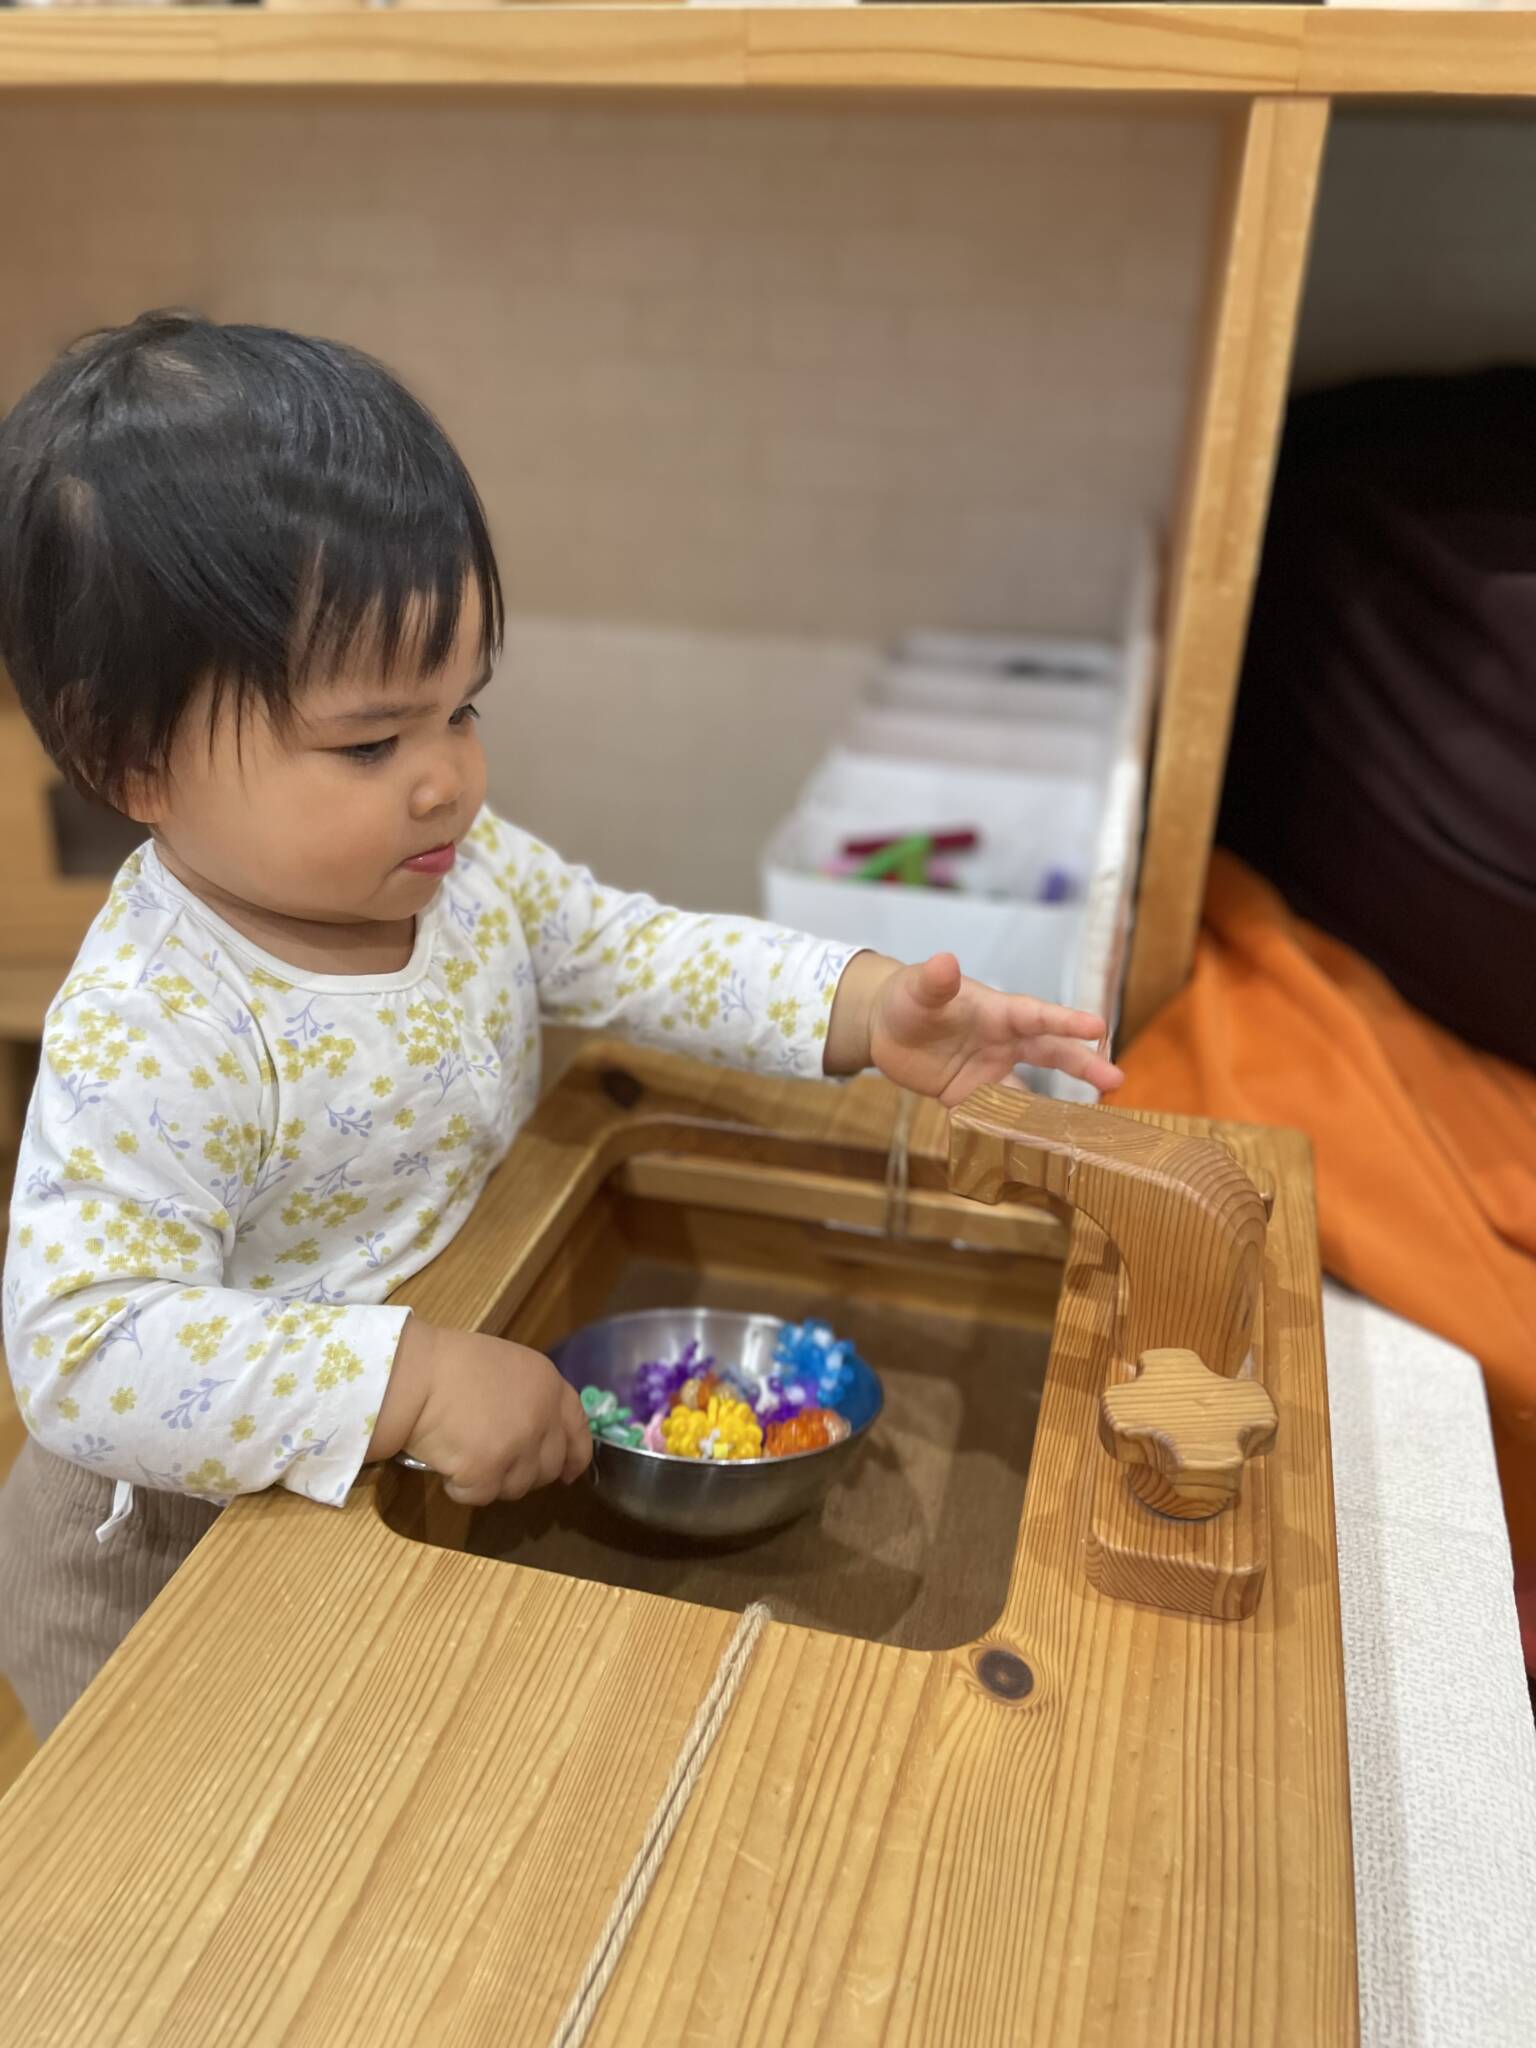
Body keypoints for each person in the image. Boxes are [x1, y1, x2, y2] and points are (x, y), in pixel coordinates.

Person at [0, 312, 1122, 1739]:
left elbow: (629, 946)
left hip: (407, 1439)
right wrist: (409, 1379)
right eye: (369, 742)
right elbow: (90, 1349)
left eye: (462, 710)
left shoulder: (458, 874)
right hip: (170, 1554)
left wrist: (855, 1006)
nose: (446, 781)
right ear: (130, 757)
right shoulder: (157, 1018)